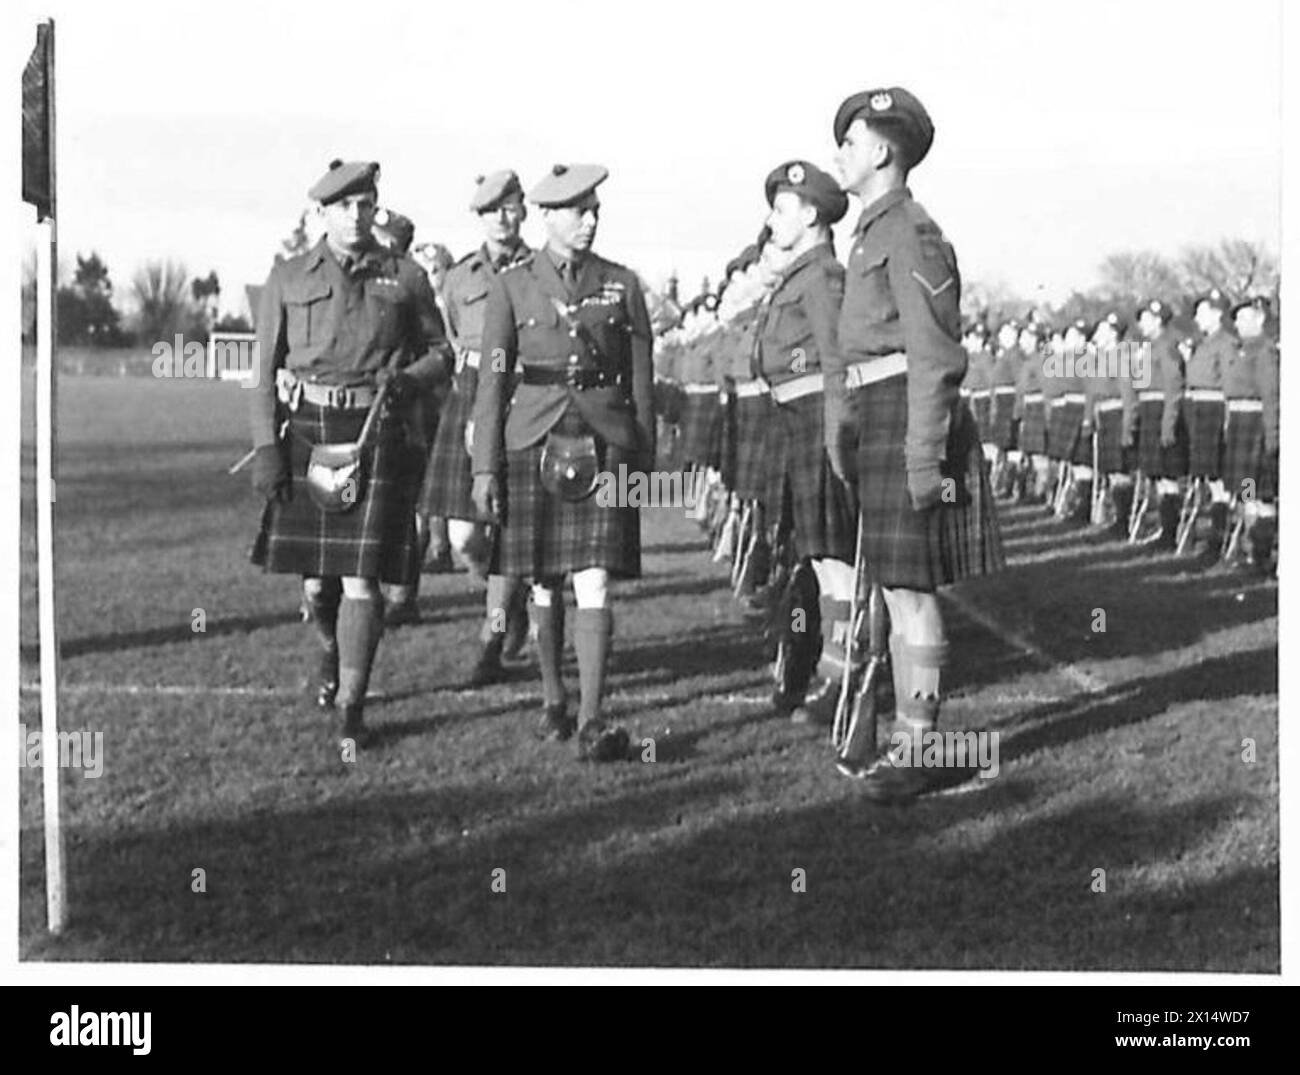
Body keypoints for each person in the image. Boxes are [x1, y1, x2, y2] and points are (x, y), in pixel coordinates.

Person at [826, 87, 1004, 800]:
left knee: (912, 588)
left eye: (850, 141)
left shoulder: (910, 233)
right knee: (896, 589)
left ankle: (920, 746)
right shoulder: (868, 232)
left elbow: (935, 356)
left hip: (908, 413)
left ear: (881, 151)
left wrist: (925, 454)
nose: (840, 153)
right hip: (877, 411)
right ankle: (912, 741)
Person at [248, 159, 452, 747]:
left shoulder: (406, 277)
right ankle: (328, 654)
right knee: (317, 583)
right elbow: (262, 372)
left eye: (366, 204)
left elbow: (443, 352)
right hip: (309, 426)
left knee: (362, 578)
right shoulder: (287, 277)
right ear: (321, 213)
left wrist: (410, 380)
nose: (357, 215)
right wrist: (266, 446)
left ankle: (352, 707)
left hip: (375, 428)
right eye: (344, 206)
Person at [471, 163, 655, 763]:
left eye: (596, 210)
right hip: (533, 435)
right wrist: (483, 468)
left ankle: (593, 715)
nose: (590, 221)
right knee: (544, 580)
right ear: (548, 217)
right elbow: (492, 384)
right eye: (579, 212)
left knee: (594, 577)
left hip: (602, 436)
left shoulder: (621, 284)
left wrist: (642, 457)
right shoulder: (512, 286)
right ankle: (553, 696)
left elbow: (642, 379)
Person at [750, 160, 855, 724]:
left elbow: (838, 364)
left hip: (817, 422)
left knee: (836, 564)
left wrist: (837, 438)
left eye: (781, 209)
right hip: (794, 422)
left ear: (810, 214)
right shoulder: (801, 275)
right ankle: (831, 671)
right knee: (818, 560)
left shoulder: (822, 278)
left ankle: (842, 676)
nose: (771, 222)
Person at [418, 171, 533, 681]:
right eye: (492, 211)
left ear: (524, 211)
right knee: (467, 537)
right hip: (470, 396)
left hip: (524, 396)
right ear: (480, 218)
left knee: (507, 529)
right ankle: (512, 597)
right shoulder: (459, 277)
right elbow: (450, 340)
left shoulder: (540, 271)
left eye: (510, 208)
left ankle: (491, 635)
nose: (502, 219)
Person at [1224, 296, 1279, 573]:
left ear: (1259, 319)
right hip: (1239, 423)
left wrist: (1272, 436)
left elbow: (1270, 396)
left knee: (1262, 496)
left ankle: (1261, 555)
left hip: (1256, 424)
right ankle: (1249, 550)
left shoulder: (1265, 352)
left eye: (1244, 317)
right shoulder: (1241, 350)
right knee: (1248, 492)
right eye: (1237, 319)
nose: (1237, 323)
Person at [1184, 289, 1236, 564]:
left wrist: (1228, 420)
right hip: (1200, 409)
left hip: (1215, 409)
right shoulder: (1202, 343)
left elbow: (1229, 383)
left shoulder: (1225, 343)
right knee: (1210, 476)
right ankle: (1213, 536)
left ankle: (1220, 537)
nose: (1196, 317)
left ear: (1216, 313)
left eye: (1202, 312)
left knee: (1222, 480)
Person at [1132, 298, 1188, 549]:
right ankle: (1166, 529)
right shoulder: (1150, 346)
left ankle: (1172, 531)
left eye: (1145, 318)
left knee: (1169, 476)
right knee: (1161, 476)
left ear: (1157, 320)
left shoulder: (1165, 346)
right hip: (1150, 410)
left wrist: (1168, 423)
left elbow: (1173, 385)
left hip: (1161, 412)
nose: (1141, 324)